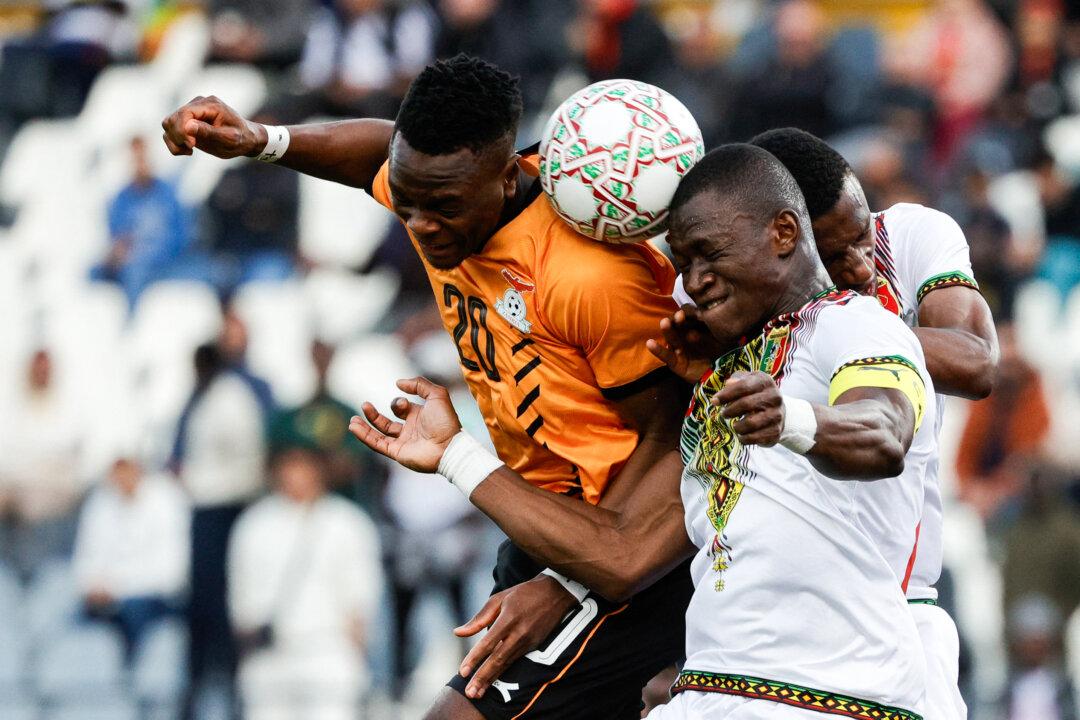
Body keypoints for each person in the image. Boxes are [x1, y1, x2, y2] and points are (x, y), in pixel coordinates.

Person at [162, 54, 692, 720]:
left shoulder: (589, 279)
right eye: (405, 203)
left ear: (505, 180)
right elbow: (375, 157)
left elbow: (675, 441)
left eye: (438, 208)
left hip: (616, 541)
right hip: (541, 525)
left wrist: (569, 578)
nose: (417, 226)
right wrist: (264, 141)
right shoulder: (440, 192)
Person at [350, 143, 937, 719]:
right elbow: (627, 543)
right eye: (684, 265)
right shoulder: (729, 375)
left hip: (827, 692)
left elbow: (884, 432)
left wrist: (795, 418)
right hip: (720, 685)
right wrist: (455, 455)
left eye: (710, 253)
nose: (696, 281)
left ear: (784, 233)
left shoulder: (853, 325)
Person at [665, 128, 998, 720]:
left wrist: (807, 374)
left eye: (861, 237)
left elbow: (966, 369)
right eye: (835, 250)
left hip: (872, 634)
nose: (862, 267)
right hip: (732, 670)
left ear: (784, 236)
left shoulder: (868, 302)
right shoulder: (737, 335)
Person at [228, 446, 382, 720]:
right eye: (288, 464)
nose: (295, 474)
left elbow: (362, 598)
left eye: (304, 465)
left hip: (328, 650)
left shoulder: (347, 522)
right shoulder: (253, 524)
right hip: (270, 655)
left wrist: (356, 655)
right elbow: (240, 597)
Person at [73, 457, 190, 660]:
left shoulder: (167, 498)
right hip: (108, 600)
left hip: (155, 599)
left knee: (134, 611)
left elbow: (171, 572)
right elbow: (85, 558)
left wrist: (115, 587)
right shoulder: (101, 501)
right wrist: (92, 585)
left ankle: (133, 673)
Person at [0, 348, 84, 580]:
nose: (41, 374)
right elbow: (9, 458)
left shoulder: (67, 410)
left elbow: (68, 457)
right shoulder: (13, 409)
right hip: (15, 503)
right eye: (37, 369)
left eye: (45, 369)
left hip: (53, 505)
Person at [92, 136, 193, 309]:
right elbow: (115, 239)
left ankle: (131, 327)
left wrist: (149, 253)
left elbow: (181, 236)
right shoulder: (121, 200)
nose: (140, 164)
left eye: (143, 158)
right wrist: (119, 252)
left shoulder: (167, 194)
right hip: (132, 264)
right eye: (135, 159)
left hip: (168, 262)